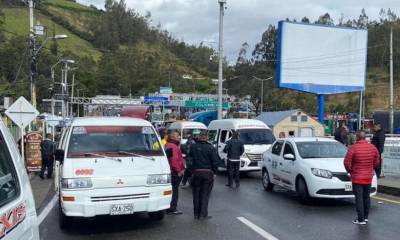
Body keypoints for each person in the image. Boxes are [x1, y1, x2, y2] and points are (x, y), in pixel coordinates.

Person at [344, 130, 380, 225]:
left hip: (357, 177)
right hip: (368, 176)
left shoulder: (353, 148)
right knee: (366, 197)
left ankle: (360, 219)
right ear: (365, 137)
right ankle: (366, 217)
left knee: (359, 198)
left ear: (357, 137)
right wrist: (371, 167)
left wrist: (350, 170)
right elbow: (377, 161)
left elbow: (346, 162)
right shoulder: (372, 147)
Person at [188, 132, 219, 220]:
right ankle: (203, 214)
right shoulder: (211, 148)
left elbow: (189, 159)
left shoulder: (193, 147)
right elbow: (215, 162)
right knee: (205, 194)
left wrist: (191, 171)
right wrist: (214, 172)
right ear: (207, 138)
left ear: (199, 137)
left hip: (196, 173)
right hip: (207, 173)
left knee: (196, 194)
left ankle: (196, 214)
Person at [165, 131, 185, 215]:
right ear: (172, 137)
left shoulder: (167, 145)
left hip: (170, 171)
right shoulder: (174, 147)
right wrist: (179, 170)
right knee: (174, 191)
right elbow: (174, 160)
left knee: (171, 190)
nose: (179, 137)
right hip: (175, 172)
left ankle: (168, 207)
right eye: (177, 136)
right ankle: (172, 208)